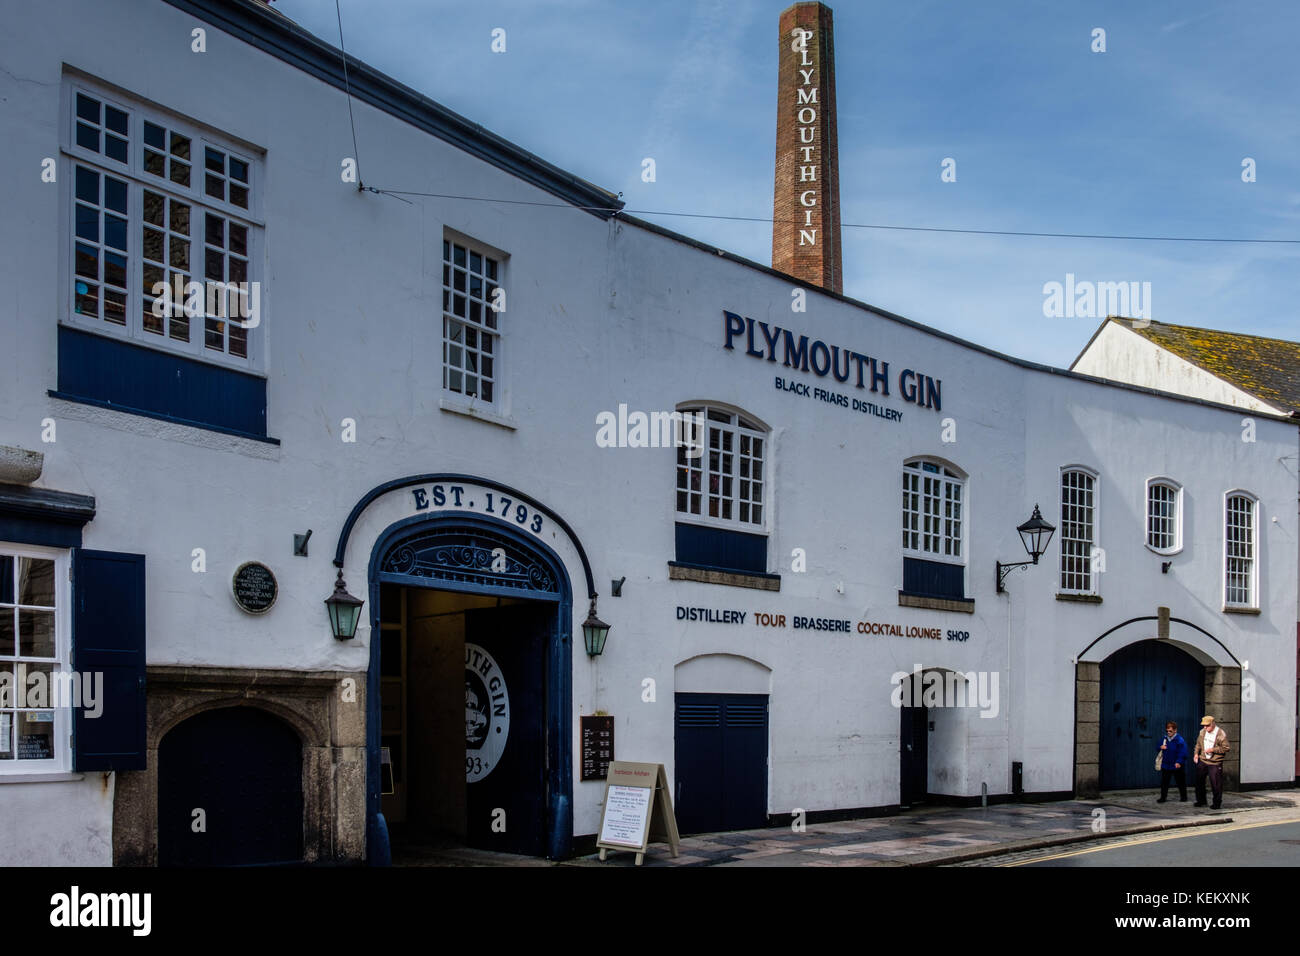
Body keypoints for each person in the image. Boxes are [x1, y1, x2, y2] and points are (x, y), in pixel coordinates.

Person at [1193, 715, 1230, 809]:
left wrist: (1213, 749)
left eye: (1207, 725)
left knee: (1216, 784)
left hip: (1215, 762)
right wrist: (1196, 754)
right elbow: (1198, 744)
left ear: (1213, 724)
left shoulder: (1220, 733)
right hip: (1203, 760)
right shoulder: (1202, 732)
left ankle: (1217, 803)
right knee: (1199, 781)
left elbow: (1226, 748)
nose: (1205, 727)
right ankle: (1201, 801)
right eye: (1204, 725)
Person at [1156, 721, 1187, 803]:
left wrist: (1179, 762)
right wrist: (1160, 747)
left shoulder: (1179, 740)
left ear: (1175, 730)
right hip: (1166, 764)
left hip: (1176, 764)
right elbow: (1157, 747)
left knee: (1180, 781)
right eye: (1167, 731)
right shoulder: (1164, 739)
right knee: (1164, 782)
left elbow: (1183, 752)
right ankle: (1163, 797)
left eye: (1170, 731)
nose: (1168, 732)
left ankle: (1184, 797)